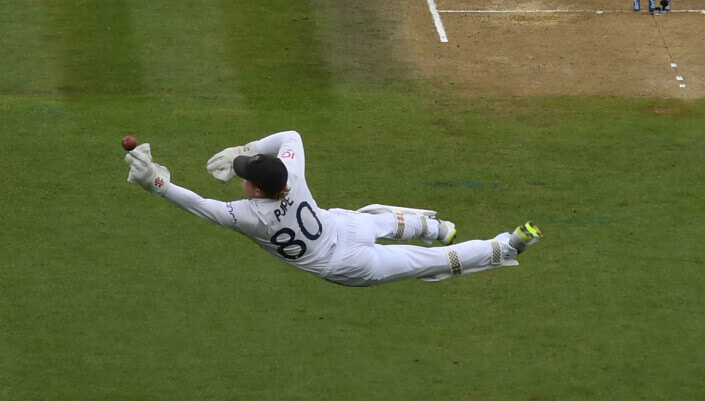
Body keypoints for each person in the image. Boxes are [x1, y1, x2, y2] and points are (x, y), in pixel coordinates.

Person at [124, 129, 542, 287]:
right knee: (382, 220)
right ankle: (445, 230)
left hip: (343, 264)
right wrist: (246, 148)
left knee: (426, 263)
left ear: (256, 190)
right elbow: (291, 136)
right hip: (340, 227)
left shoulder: (248, 217)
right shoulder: (292, 173)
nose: (240, 177)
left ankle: (505, 247)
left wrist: (157, 183)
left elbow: (199, 205)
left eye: (244, 174)